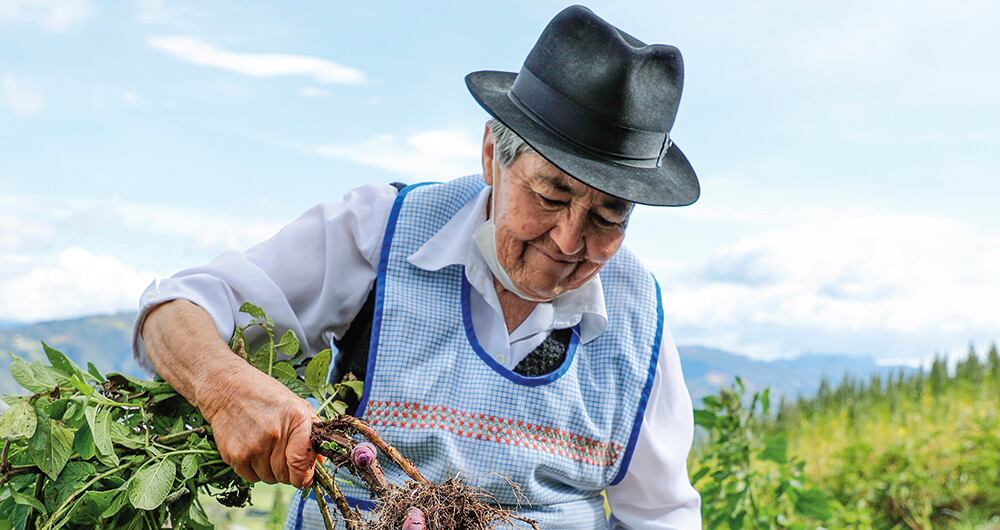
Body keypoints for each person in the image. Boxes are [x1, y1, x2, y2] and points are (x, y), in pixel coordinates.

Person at [134, 5, 702, 529]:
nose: (570, 239)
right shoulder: (382, 231)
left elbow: (661, 514)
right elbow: (175, 311)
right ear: (491, 157)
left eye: (608, 215)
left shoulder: (639, 315)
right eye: (550, 196)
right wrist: (226, 389)